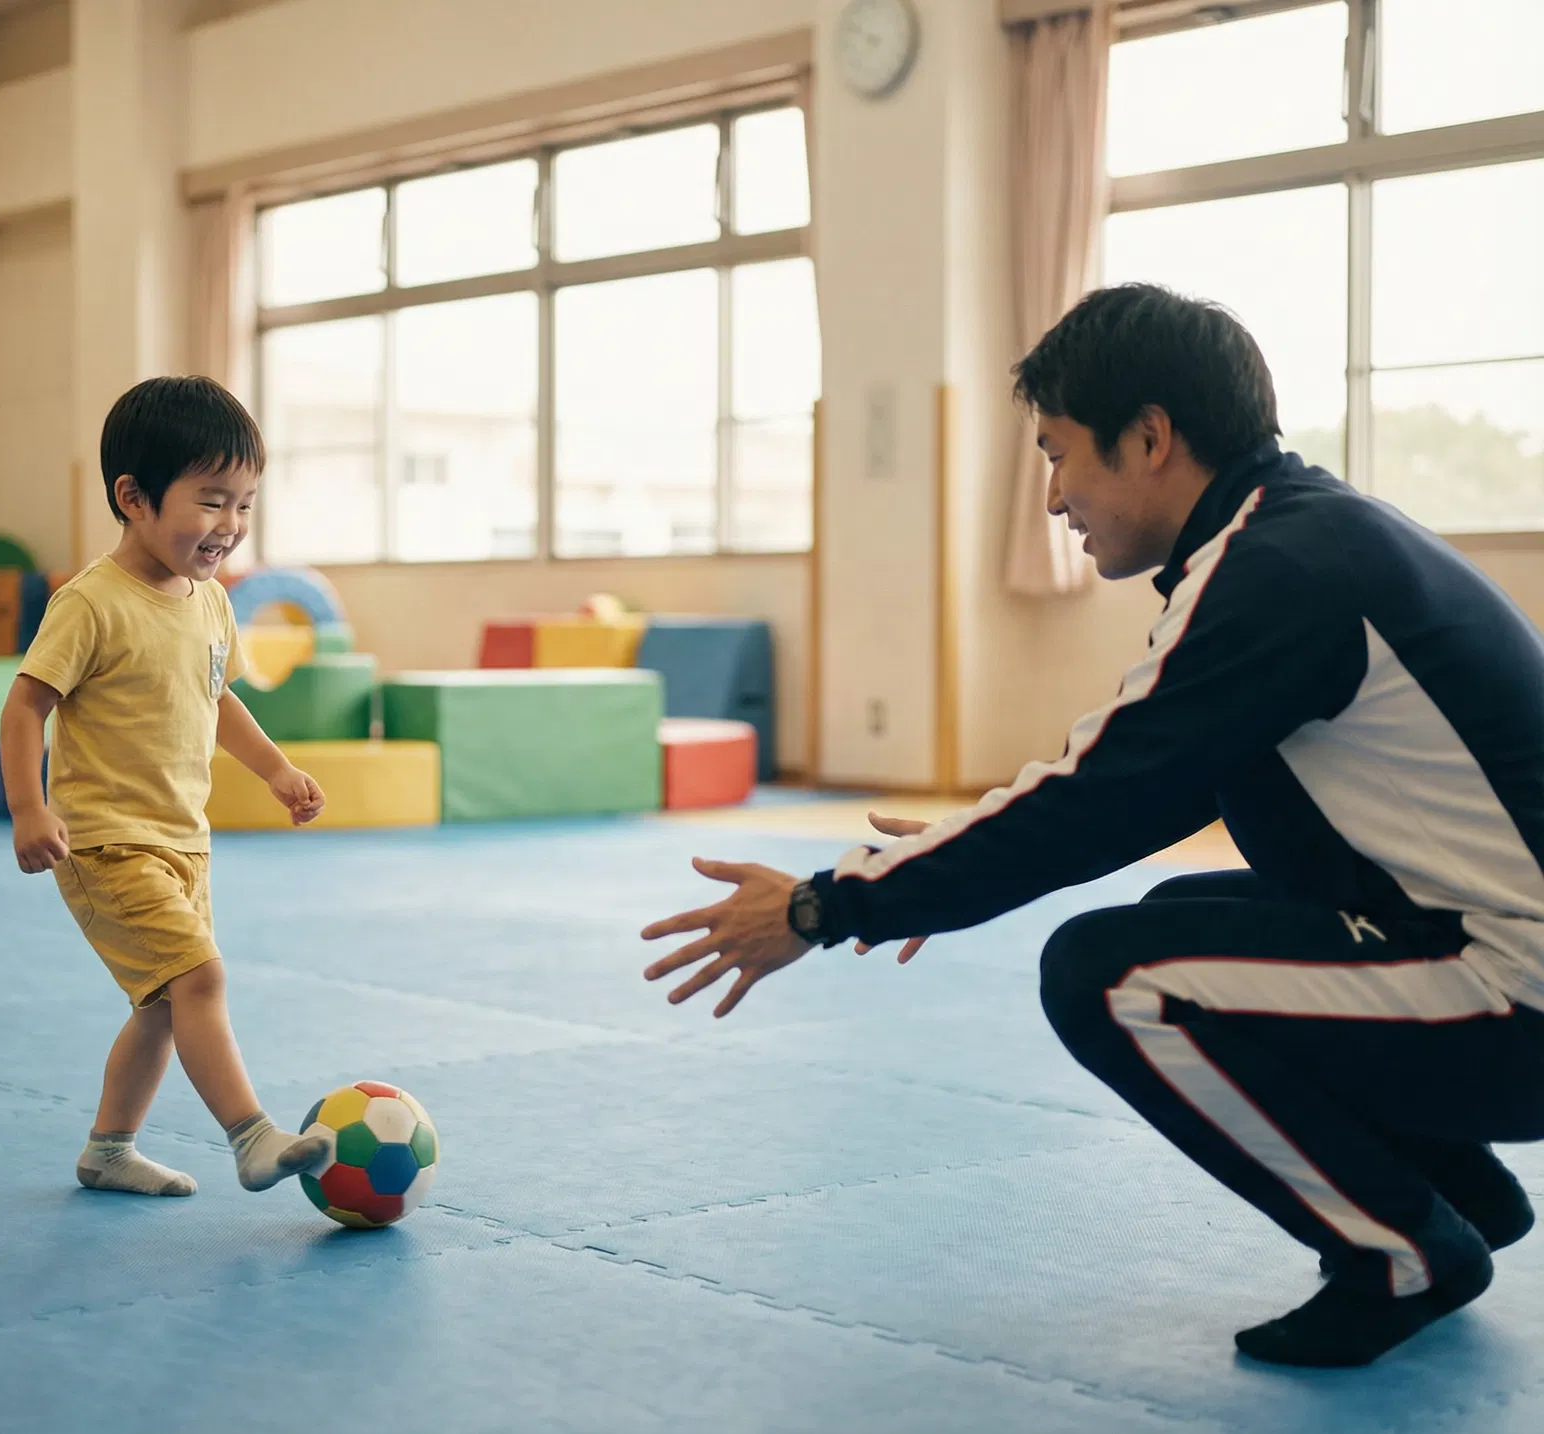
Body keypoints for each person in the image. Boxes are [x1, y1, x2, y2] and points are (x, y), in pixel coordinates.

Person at [640, 283, 1544, 1369]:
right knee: (1184, 915)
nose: (1057, 496)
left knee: (1116, 976)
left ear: (1150, 438)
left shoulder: (1276, 572)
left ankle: (1403, 1254)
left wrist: (823, 904)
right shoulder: (1303, 536)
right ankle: (1454, 1192)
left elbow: (1103, 797)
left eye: (1060, 455)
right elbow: (1140, 767)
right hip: (1482, 955)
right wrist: (933, 862)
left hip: (1515, 998)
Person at [0, 375, 332, 1201]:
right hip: (105, 841)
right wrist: (28, 807)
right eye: (212, 501)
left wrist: (277, 768)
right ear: (134, 497)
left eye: (245, 504)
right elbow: (23, 706)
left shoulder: (212, 604)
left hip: (184, 839)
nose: (231, 526)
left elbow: (218, 699)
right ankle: (252, 1136)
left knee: (162, 1003)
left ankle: (108, 1150)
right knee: (201, 979)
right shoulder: (92, 604)